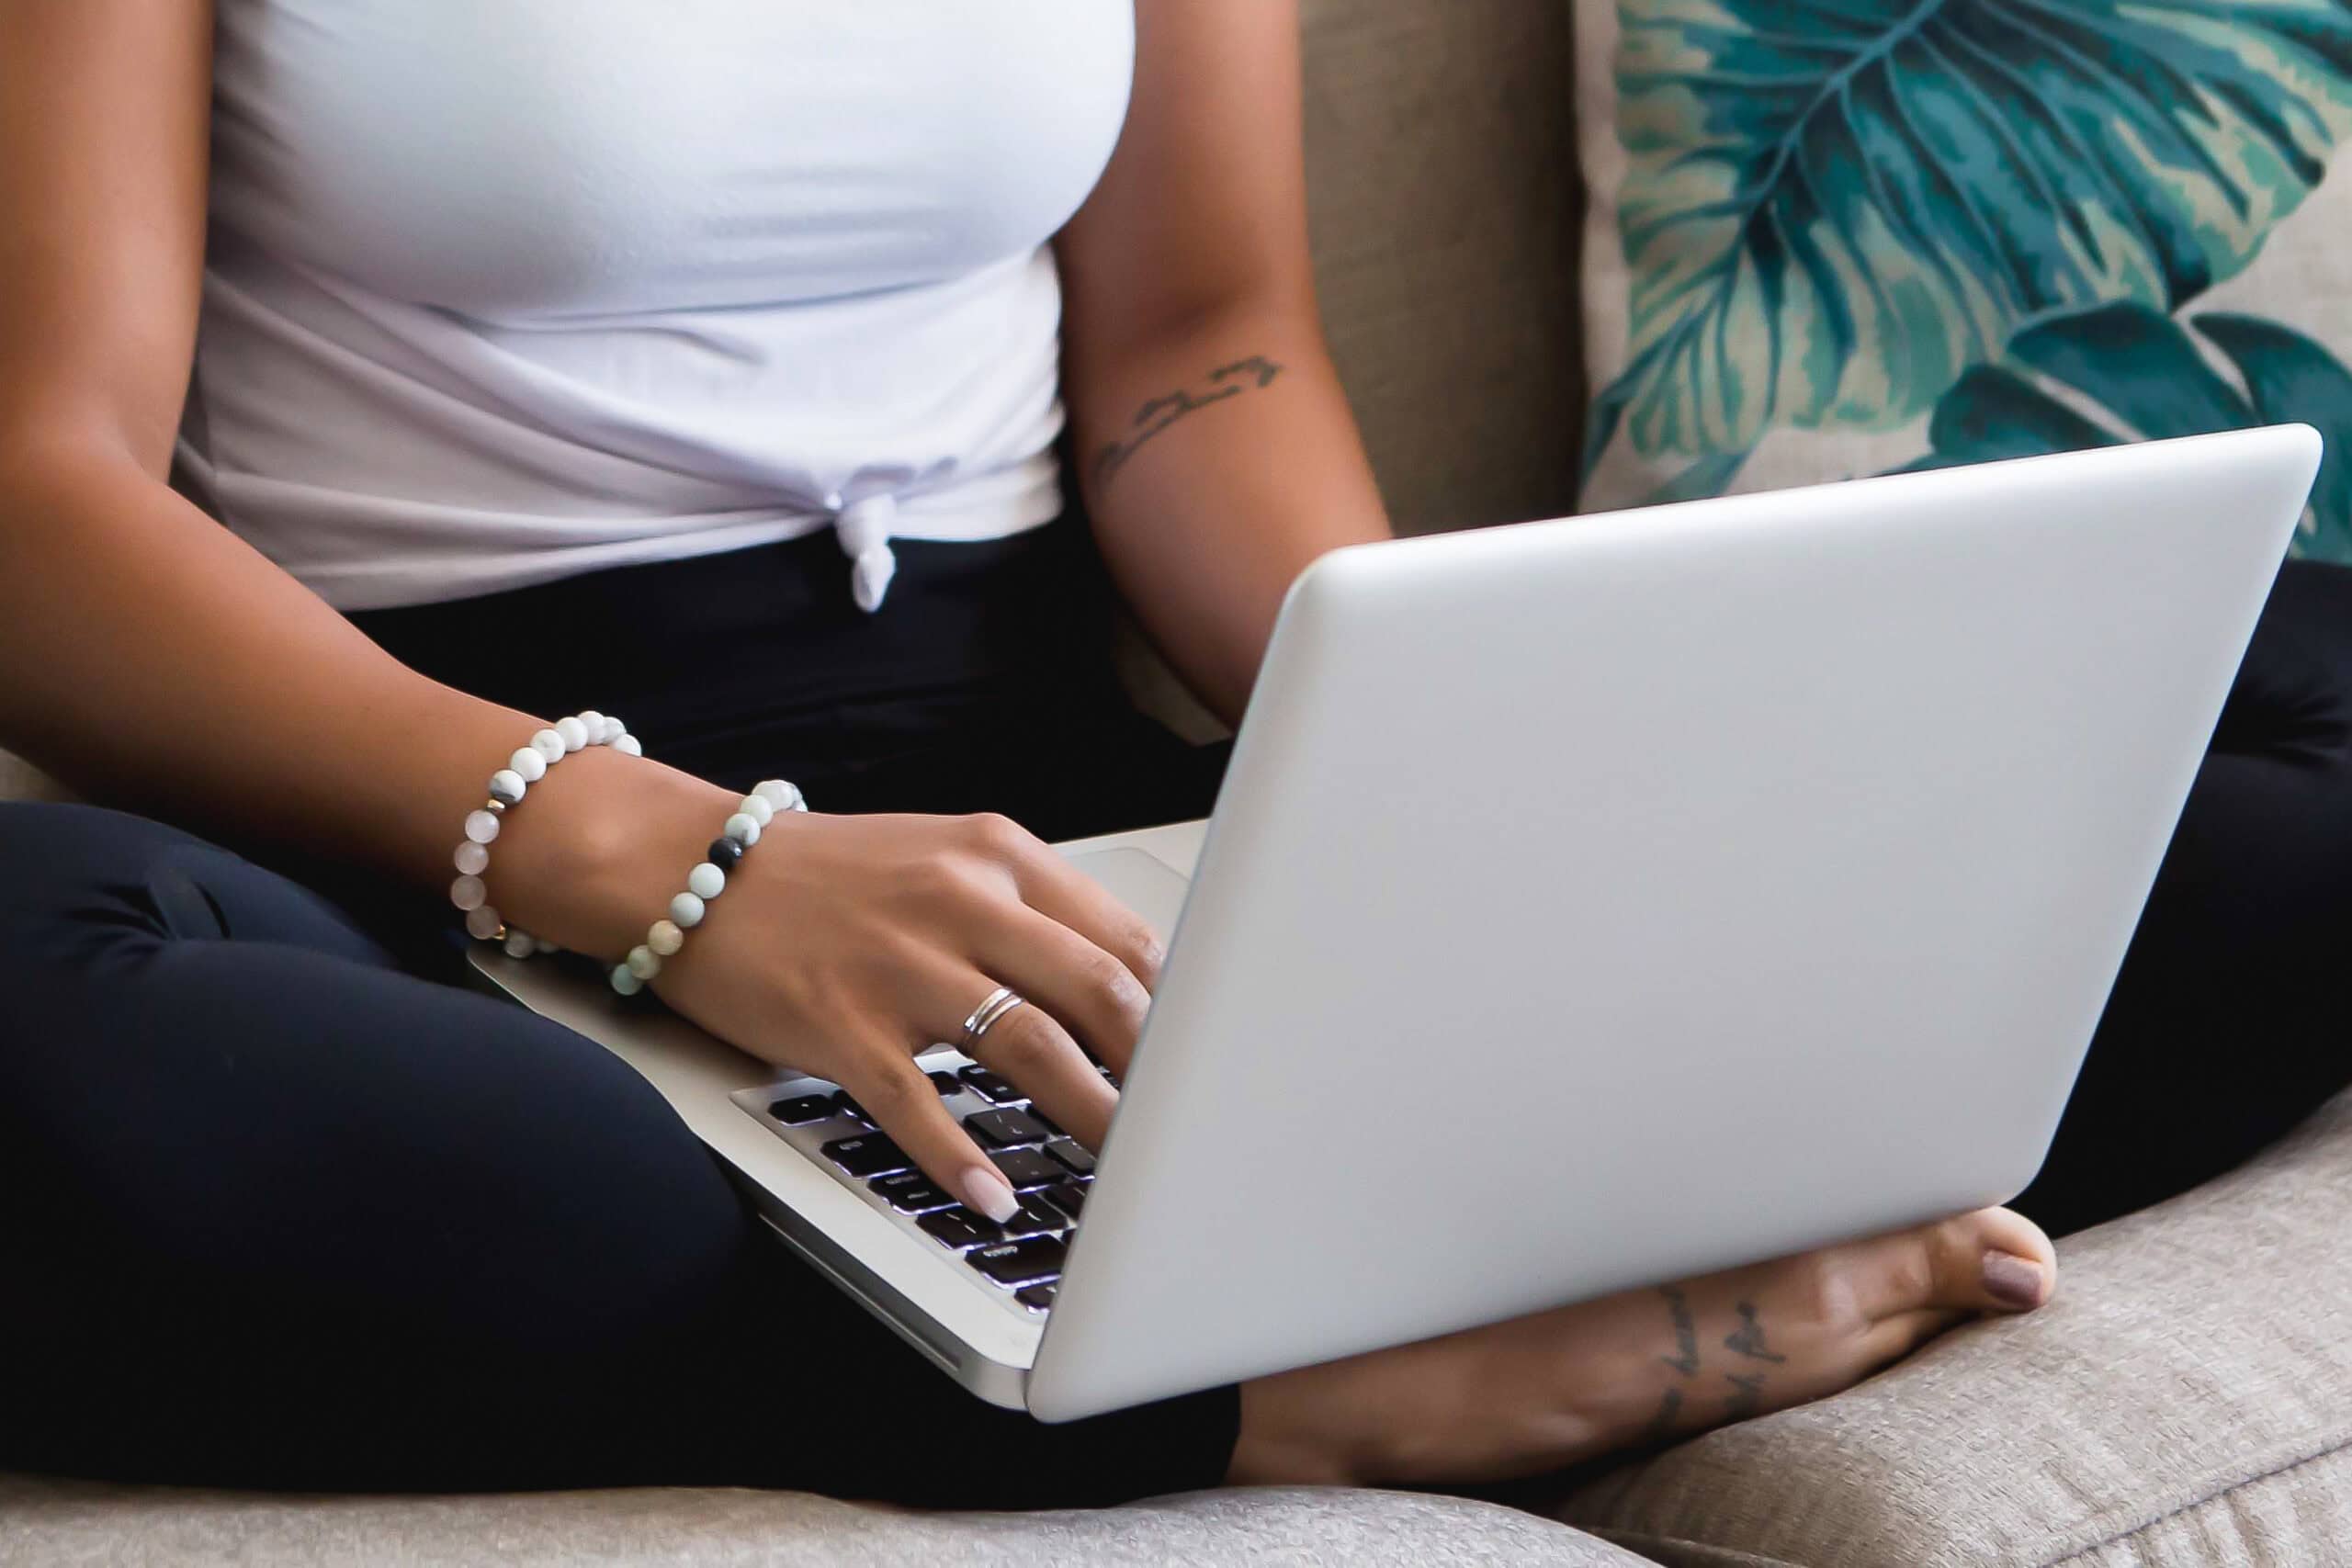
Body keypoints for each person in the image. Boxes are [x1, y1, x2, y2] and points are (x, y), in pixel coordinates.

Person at [0, 0, 2345, 1509]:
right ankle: (1274, 1389)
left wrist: (1421, 765)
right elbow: (41, 484)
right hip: (454, 830)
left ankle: (1302, 1236)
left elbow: (1197, 349)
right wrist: (673, 867)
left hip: (1049, 797)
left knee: (2299, 691)